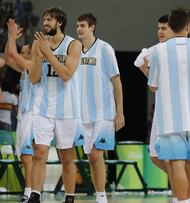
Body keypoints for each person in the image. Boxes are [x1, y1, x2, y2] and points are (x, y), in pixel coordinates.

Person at [135, 14, 190, 203]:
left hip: (170, 117)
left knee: (176, 164)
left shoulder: (159, 51)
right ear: (188, 27)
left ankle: (182, 201)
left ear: (172, 26)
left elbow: (153, 86)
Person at [28, 7, 83, 203]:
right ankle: (35, 195)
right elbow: (34, 79)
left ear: (59, 22)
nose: (45, 23)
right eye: (44, 20)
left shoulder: (73, 45)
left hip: (66, 109)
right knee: (39, 153)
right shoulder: (38, 44)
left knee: (66, 156)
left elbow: (66, 74)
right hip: (43, 107)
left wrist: (48, 53)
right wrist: (38, 57)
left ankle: (69, 197)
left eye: (49, 20)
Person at [76, 13, 125, 203]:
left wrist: (119, 112)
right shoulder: (76, 50)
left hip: (104, 113)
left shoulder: (105, 49)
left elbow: (117, 81)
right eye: (77, 25)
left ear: (92, 27)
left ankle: (102, 197)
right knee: (91, 157)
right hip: (83, 114)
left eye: (82, 25)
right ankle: (99, 194)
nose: (79, 29)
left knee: (97, 153)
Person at [3, 18, 33, 203]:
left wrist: (12, 37)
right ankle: (30, 191)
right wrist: (10, 38)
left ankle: (29, 193)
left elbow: (11, 54)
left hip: (33, 114)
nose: (19, 55)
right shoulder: (24, 70)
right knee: (24, 157)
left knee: (29, 158)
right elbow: (8, 57)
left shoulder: (34, 66)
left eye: (24, 53)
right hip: (23, 116)